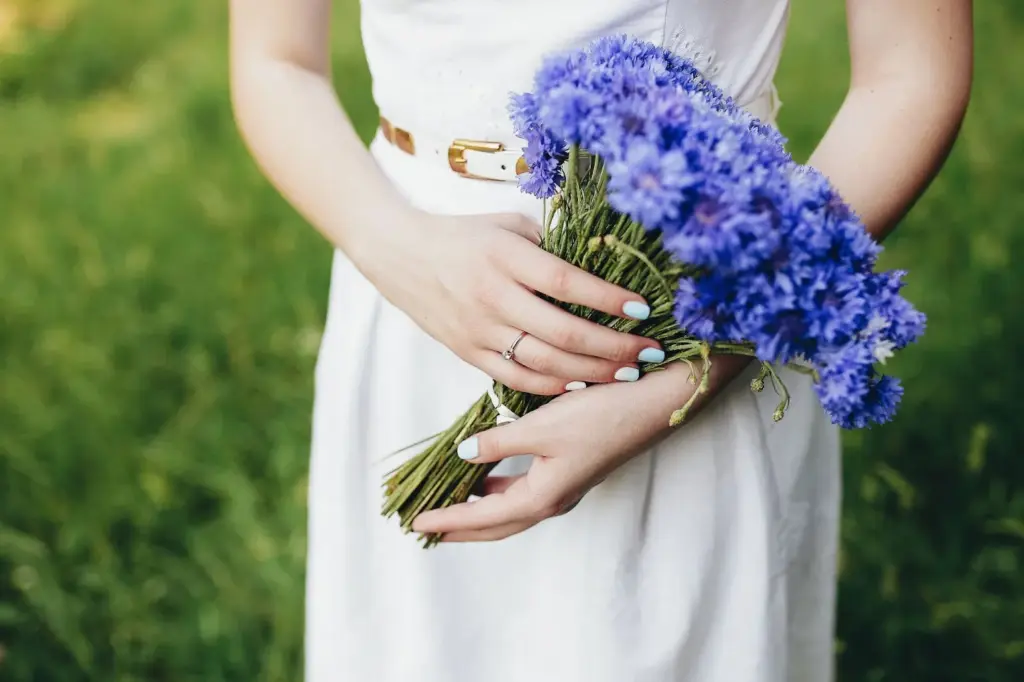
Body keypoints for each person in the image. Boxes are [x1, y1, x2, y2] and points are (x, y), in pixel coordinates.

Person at [228, 1, 972, 680]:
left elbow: (909, 70)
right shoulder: (400, 262)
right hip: (409, 290)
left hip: (690, 289)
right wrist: (391, 245)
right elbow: (276, 60)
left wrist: (702, 365)